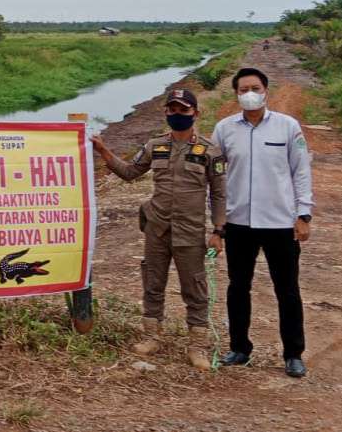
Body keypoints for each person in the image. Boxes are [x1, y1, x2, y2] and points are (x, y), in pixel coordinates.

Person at [92, 87, 226, 369]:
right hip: (157, 229)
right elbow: (130, 173)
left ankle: (197, 346)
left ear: (195, 113)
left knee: (195, 289)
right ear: (166, 112)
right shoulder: (155, 146)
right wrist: (104, 150)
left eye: (184, 110)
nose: (178, 115)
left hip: (190, 231)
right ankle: (152, 337)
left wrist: (218, 230)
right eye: (173, 110)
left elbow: (219, 194)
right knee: (153, 284)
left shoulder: (210, 151)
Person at [211, 67, 314, 378]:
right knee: (238, 287)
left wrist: (304, 214)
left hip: (280, 223)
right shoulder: (225, 130)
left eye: (254, 87)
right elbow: (214, 177)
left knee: (287, 289)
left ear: (266, 91)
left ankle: (293, 354)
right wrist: (216, 223)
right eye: (243, 89)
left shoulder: (287, 127)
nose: (249, 93)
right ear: (236, 95)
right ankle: (239, 348)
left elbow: (301, 171)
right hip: (238, 222)